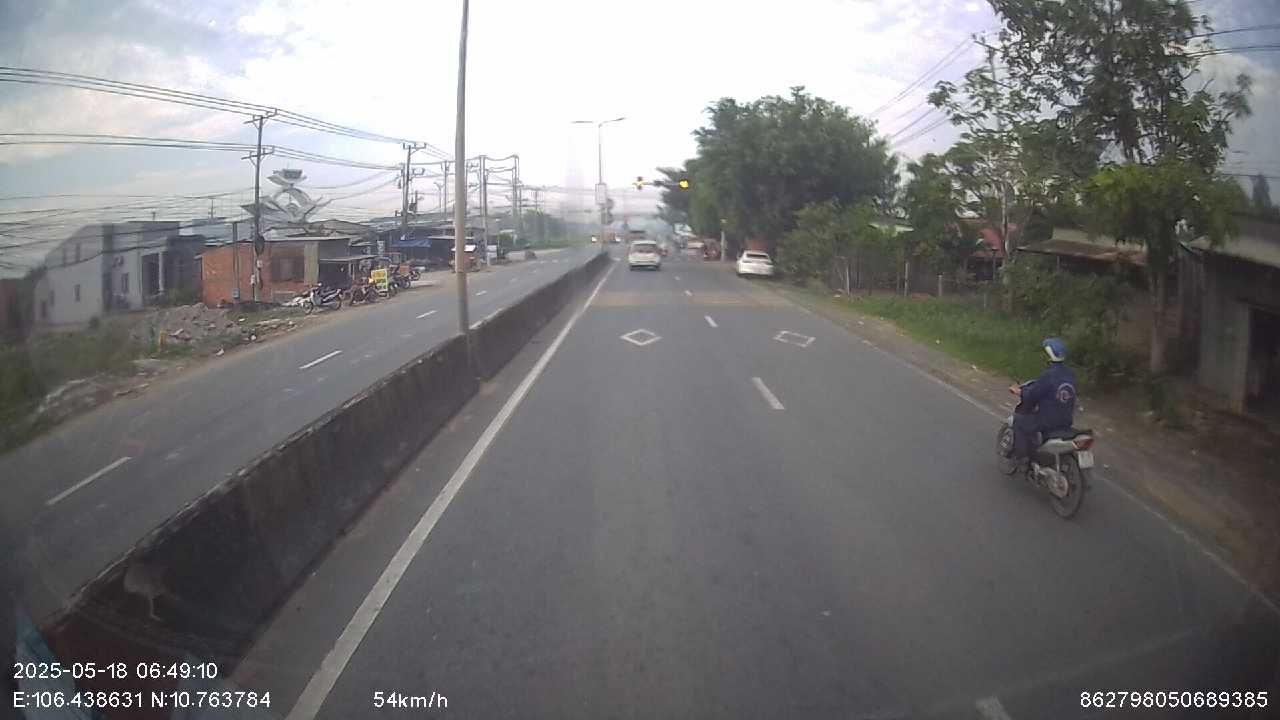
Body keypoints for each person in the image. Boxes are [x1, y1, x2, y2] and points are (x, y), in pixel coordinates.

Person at [1008, 337, 1077, 467]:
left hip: (1047, 421)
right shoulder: (1070, 374)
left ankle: (1021, 457)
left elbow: (1033, 395)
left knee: (1019, 421)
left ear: (1049, 356)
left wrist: (1019, 391)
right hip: (1066, 420)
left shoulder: (1049, 375)